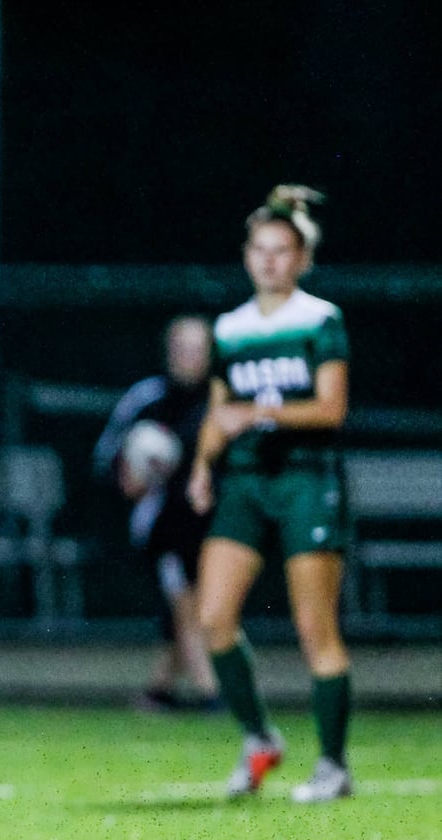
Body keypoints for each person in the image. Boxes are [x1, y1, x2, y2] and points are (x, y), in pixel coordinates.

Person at [187, 185, 354, 803]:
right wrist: (203, 465)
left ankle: (334, 766)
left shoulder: (319, 319)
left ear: (301, 258)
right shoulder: (229, 329)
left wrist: (258, 412)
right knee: (213, 619)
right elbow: (218, 411)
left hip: (305, 479)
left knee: (316, 629)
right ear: (247, 255)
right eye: (260, 250)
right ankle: (259, 737)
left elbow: (331, 407)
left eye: (282, 251)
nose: (270, 261)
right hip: (247, 483)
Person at [93, 315, 220, 712]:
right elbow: (107, 457)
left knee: (198, 606)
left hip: (212, 520)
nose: (191, 357)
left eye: (199, 349)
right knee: (186, 600)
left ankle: (159, 689)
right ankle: (210, 690)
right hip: (164, 524)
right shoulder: (147, 398)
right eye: (183, 349)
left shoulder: (221, 398)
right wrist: (128, 473)